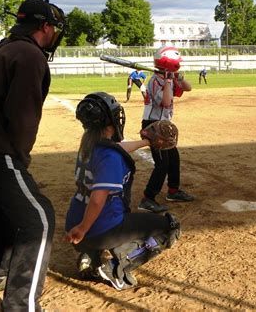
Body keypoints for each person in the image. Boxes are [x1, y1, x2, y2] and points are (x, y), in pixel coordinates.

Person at [0, 0, 65, 310]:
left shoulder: (1, 47)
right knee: (38, 220)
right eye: (53, 28)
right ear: (44, 27)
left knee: (3, 206)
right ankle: (20, 306)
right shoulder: (29, 54)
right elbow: (23, 117)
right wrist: (19, 158)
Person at [65, 92, 180, 290]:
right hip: (91, 230)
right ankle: (116, 267)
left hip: (74, 226)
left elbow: (117, 148)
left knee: (114, 218)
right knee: (170, 227)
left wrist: (147, 142)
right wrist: (83, 229)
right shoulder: (109, 156)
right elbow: (97, 200)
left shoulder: (88, 146)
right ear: (108, 121)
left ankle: (89, 257)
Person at [138, 46, 195, 213]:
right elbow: (166, 102)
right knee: (162, 164)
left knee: (174, 160)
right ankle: (147, 198)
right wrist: (169, 81)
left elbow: (188, 87)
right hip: (153, 125)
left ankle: (173, 191)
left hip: (164, 126)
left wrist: (177, 77)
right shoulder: (155, 81)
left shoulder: (168, 77)